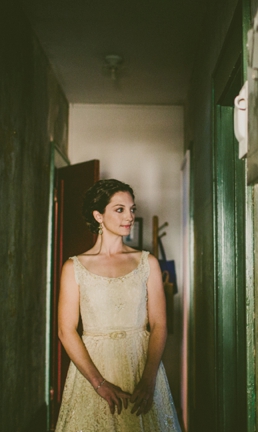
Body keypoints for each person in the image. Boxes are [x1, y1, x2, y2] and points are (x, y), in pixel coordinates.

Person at [55, 179, 181, 431]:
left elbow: (159, 324)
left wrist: (148, 380)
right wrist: (98, 383)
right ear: (98, 215)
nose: (129, 216)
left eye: (132, 209)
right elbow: (66, 330)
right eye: (120, 209)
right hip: (93, 368)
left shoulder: (148, 262)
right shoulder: (73, 267)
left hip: (140, 363)